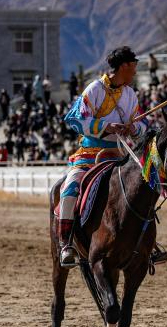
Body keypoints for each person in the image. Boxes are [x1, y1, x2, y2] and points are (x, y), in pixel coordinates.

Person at [58, 47, 149, 267]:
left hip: (119, 154)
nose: (135, 72)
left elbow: (142, 123)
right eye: (133, 67)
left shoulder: (130, 94)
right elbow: (74, 120)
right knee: (70, 188)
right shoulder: (95, 88)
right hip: (90, 155)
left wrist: (133, 129)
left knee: (144, 187)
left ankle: (147, 244)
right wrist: (108, 126)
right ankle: (66, 243)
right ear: (124, 66)